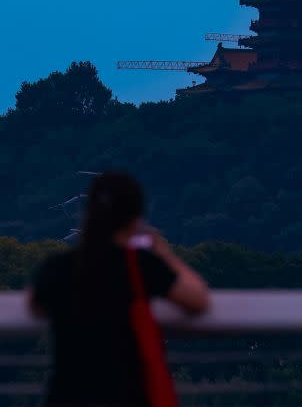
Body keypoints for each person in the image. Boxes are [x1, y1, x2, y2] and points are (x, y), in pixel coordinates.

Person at [29, 172, 210, 407]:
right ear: (135, 218)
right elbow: (197, 298)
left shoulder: (58, 267)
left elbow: (35, 306)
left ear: (89, 212)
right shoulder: (139, 265)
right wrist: (163, 253)